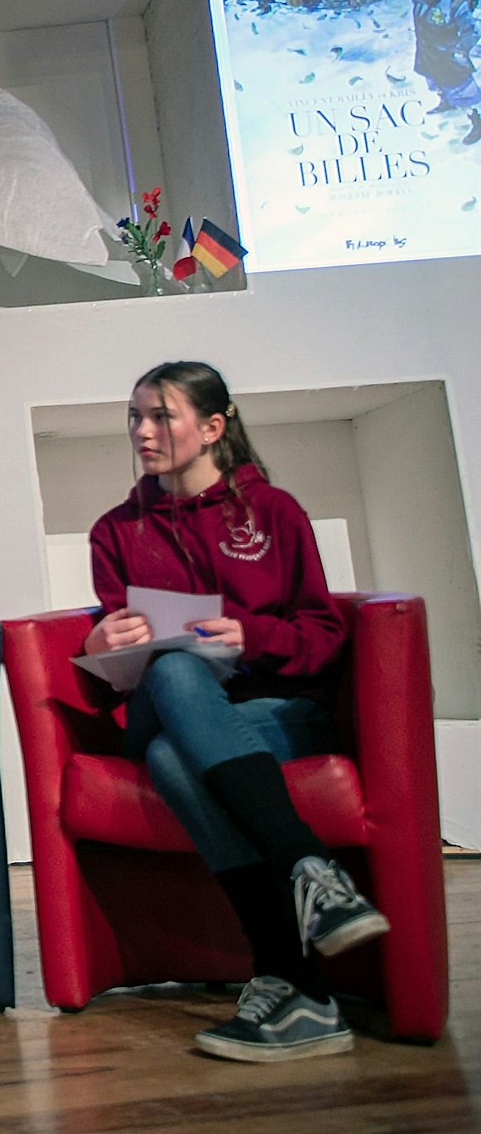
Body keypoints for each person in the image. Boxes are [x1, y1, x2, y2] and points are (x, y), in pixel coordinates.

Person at [84, 360, 388, 1063]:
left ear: (213, 427)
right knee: (180, 673)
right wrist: (102, 641)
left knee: (171, 757)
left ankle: (297, 986)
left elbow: (324, 637)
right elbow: (116, 666)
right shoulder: (116, 531)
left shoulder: (273, 512)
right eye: (135, 416)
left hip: (273, 713)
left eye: (161, 415)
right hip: (164, 708)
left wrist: (255, 635)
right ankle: (307, 865)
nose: (143, 431)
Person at [397, 0, 481, 145]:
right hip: (428, 54)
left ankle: (476, 120)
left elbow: (471, 31)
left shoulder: (453, 3)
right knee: (434, 80)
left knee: (462, 91)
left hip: (450, 57)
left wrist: (460, 51)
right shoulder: (420, 0)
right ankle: (446, 102)